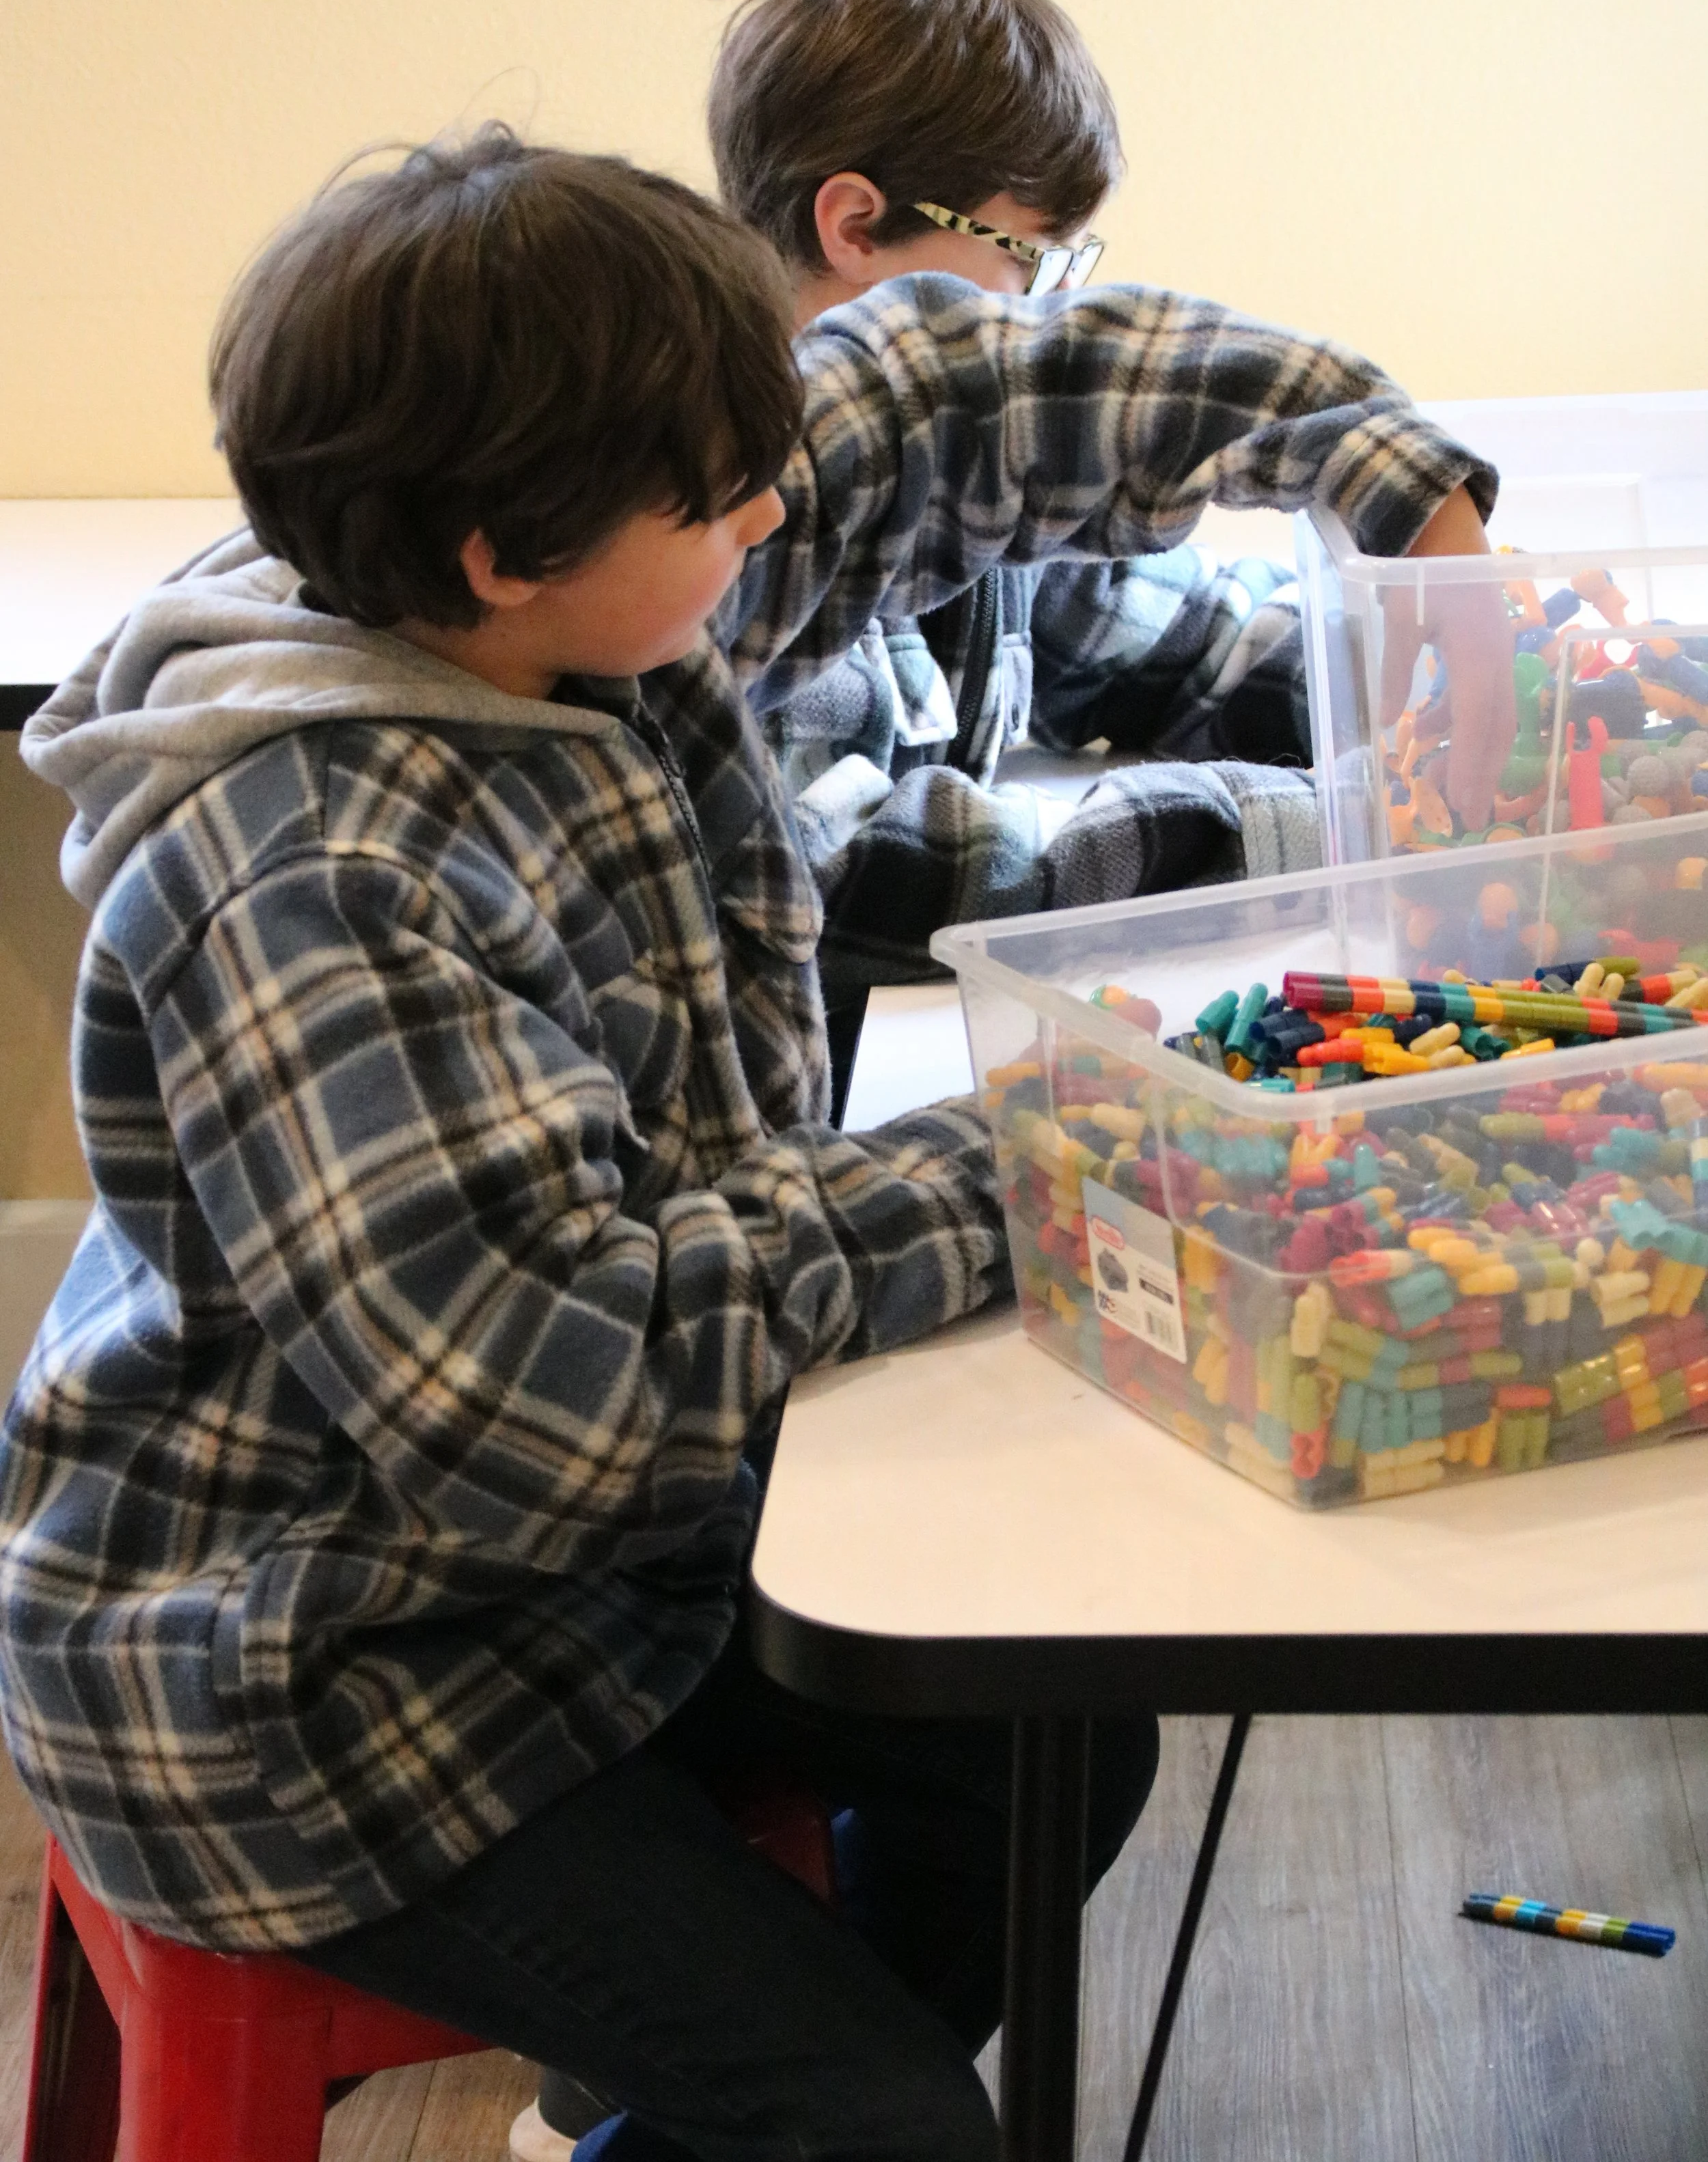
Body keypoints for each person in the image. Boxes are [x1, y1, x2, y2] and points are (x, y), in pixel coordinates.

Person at [2, 126, 1502, 2162]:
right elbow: (560, 1391)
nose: (780, 503)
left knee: (1054, 1744)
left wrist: (1374, 468)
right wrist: (1020, 1155)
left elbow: (971, 388)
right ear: (502, 552)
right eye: (725, 491)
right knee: (876, 2122)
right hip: (310, 1669)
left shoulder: (561, 600)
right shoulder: (324, 869)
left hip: (560, 1580)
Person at [707, 0, 1506, 1018]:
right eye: (1027, 258)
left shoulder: (972, 504)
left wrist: (1461, 696)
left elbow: (1187, 642)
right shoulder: (734, 534)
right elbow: (881, 868)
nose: (1041, 306)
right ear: (853, 227)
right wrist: (1344, 823)